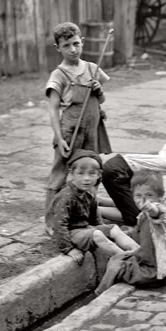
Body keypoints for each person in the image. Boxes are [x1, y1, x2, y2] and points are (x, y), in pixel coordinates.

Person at [44, 22, 111, 214]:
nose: (73, 50)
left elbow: (101, 100)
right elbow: (53, 109)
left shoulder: (92, 68)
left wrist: (99, 90)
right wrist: (59, 137)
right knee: (60, 174)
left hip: (92, 130)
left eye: (76, 44)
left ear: (82, 41)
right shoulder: (59, 74)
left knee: (91, 172)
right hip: (70, 132)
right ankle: (51, 219)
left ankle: (86, 213)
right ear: (58, 48)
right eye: (66, 46)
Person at [95, 171, 166, 295]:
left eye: (149, 195)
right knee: (119, 258)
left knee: (116, 265)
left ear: (160, 197)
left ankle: (100, 293)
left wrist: (151, 208)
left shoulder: (160, 214)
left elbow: (157, 213)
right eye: (138, 196)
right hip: (151, 263)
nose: (143, 200)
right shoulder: (142, 216)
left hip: (153, 272)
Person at [47, 150, 139, 264]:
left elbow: (96, 217)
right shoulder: (65, 196)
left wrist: (106, 231)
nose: (86, 178)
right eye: (81, 173)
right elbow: (60, 225)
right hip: (72, 233)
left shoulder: (90, 192)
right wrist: (68, 249)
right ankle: (126, 260)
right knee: (97, 234)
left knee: (113, 228)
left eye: (92, 174)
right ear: (71, 174)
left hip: (86, 230)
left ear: (98, 175)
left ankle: (138, 252)